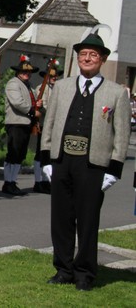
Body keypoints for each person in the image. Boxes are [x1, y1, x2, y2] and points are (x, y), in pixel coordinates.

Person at [40, 33, 130, 291]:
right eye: (83, 54)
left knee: (88, 221)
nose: (87, 58)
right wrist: (46, 159)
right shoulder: (62, 87)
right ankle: (63, 270)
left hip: (93, 166)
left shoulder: (116, 93)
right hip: (62, 161)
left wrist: (114, 169)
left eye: (93, 55)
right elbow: (49, 124)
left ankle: (84, 273)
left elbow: (122, 134)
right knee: (61, 219)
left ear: (102, 59)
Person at [2, 54, 42, 196]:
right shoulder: (13, 83)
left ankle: (13, 181)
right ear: (18, 72)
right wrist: (32, 111)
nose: (27, 74)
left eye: (29, 72)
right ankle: (8, 182)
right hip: (16, 122)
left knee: (20, 154)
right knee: (13, 153)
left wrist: (37, 103)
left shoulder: (28, 86)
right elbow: (17, 102)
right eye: (24, 71)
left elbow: (31, 100)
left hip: (25, 123)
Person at [32, 61, 63, 194]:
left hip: (54, 126)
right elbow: (43, 107)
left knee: (50, 154)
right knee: (41, 153)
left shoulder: (57, 89)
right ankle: (38, 181)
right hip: (44, 124)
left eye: (55, 76)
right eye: (51, 76)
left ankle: (46, 180)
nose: (54, 78)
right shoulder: (41, 88)